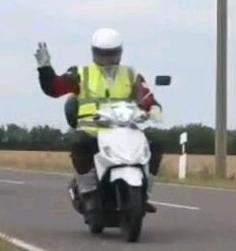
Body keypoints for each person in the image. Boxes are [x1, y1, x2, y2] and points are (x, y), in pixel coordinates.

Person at [34, 27, 164, 213]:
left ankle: (145, 193)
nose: (107, 58)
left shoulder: (130, 74)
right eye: (103, 53)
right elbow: (54, 89)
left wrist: (153, 108)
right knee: (79, 143)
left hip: (125, 129)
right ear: (94, 51)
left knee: (156, 143)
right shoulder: (81, 73)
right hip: (93, 130)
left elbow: (144, 95)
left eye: (111, 53)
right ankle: (88, 193)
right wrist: (45, 68)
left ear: (119, 52)